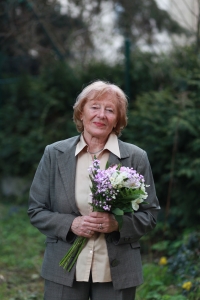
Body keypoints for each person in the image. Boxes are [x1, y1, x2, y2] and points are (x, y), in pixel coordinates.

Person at [28, 80, 160, 300]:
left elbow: (150, 215)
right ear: (81, 113)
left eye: (110, 110)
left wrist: (117, 224)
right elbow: (36, 210)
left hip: (117, 270)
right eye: (95, 107)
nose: (101, 115)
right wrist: (71, 224)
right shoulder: (54, 153)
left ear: (117, 119)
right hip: (63, 269)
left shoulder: (136, 157)